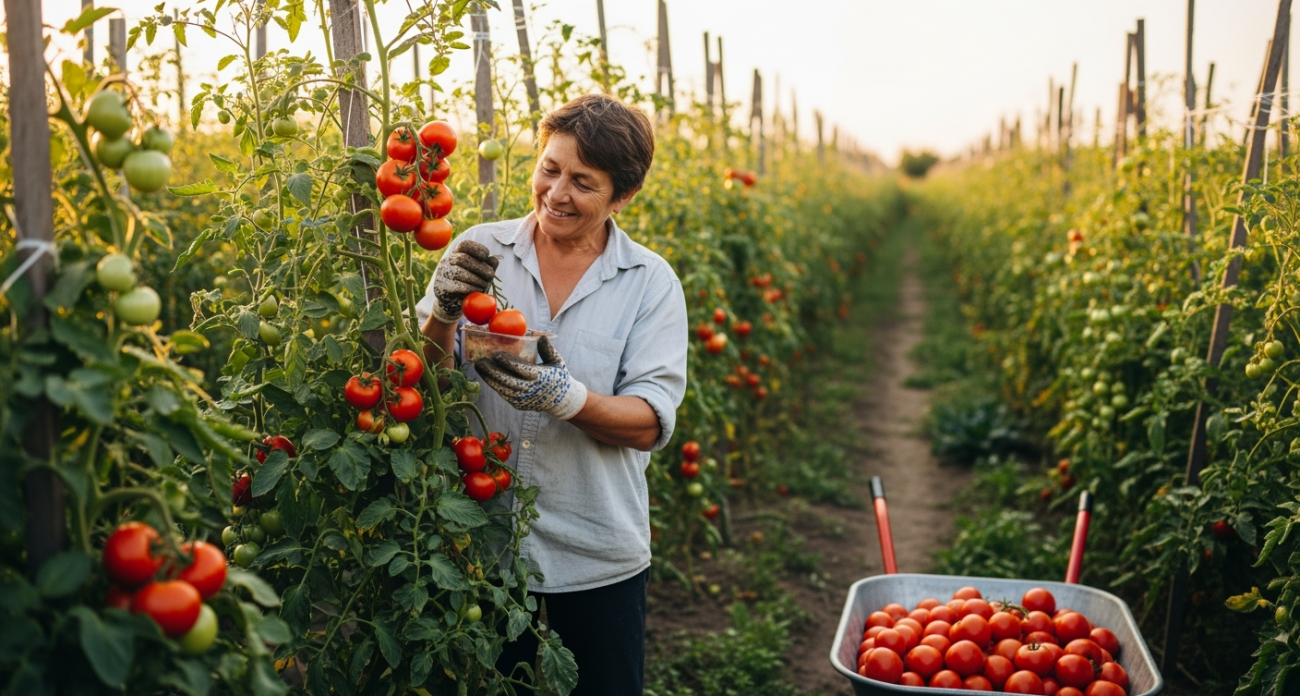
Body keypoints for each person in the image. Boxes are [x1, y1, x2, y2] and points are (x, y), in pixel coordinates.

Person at [415, 93, 688, 695]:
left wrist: (565, 398)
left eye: (583, 183)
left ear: (623, 197)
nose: (557, 193)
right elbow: (421, 381)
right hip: (476, 548)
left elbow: (649, 421)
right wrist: (441, 313)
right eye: (550, 169)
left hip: (596, 555)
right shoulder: (482, 251)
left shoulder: (649, 284)